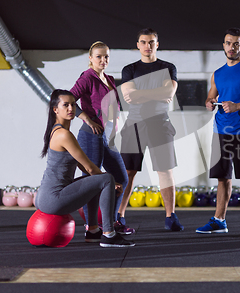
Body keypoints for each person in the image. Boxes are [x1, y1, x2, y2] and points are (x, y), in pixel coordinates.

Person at [36, 89, 134, 248]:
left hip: (45, 197)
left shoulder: (57, 131)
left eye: (73, 105)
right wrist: (110, 183)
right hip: (53, 199)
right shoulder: (64, 134)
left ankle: (93, 231)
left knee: (96, 180)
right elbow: (89, 167)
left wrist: (101, 179)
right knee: (107, 178)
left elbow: (84, 166)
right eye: (65, 105)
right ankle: (109, 234)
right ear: (55, 109)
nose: (71, 109)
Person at [196, 27, 240, 236]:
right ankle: (219, 220)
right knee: (223, 178)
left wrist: (237, 106)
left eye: (236, 43)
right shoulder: (217, 74)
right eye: (228, 43)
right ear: (223, 46)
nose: (231, 47)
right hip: (220, 131)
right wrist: (209, 103)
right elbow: (211, 97)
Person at [118, 28, 184, 231]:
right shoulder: (129, 69)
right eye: (144, 42)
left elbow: (169, 92)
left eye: (152, 42)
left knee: (164, 170)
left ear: (157, 44)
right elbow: (129, 95)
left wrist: (141, 93)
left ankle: (170, 216)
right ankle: (118, 215)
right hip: (135, 124)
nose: (148, 46)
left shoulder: (168, 67)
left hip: (160, 124)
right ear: (138, 45)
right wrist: (157, 93)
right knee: (127, 172)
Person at [70, 42, 134, 235]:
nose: (103, 60)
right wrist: (88, 120)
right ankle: (91, 227)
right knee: (92, 181)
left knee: (121, 178)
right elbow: (69, 99)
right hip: (91, 136)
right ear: (90, 58)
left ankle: (113, 222)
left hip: (108, 137)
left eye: (106, 56)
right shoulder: (87, 77)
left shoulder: (109, 78)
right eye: (99, 56)